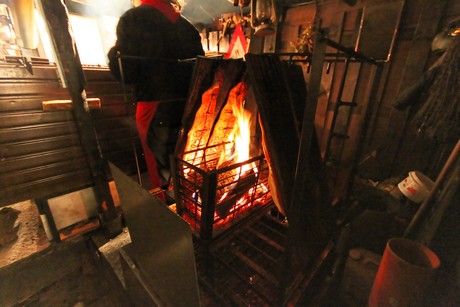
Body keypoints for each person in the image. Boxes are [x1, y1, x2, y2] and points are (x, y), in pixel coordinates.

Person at [108, 0, 205, 200]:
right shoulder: (187, 27)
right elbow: (201, 70)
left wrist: (112, 56)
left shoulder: (132, 18)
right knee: (191, 163)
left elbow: (127, 72)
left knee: (163, 175)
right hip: (190, 105)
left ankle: (173, 220)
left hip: (154, 107)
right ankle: (196, 214)